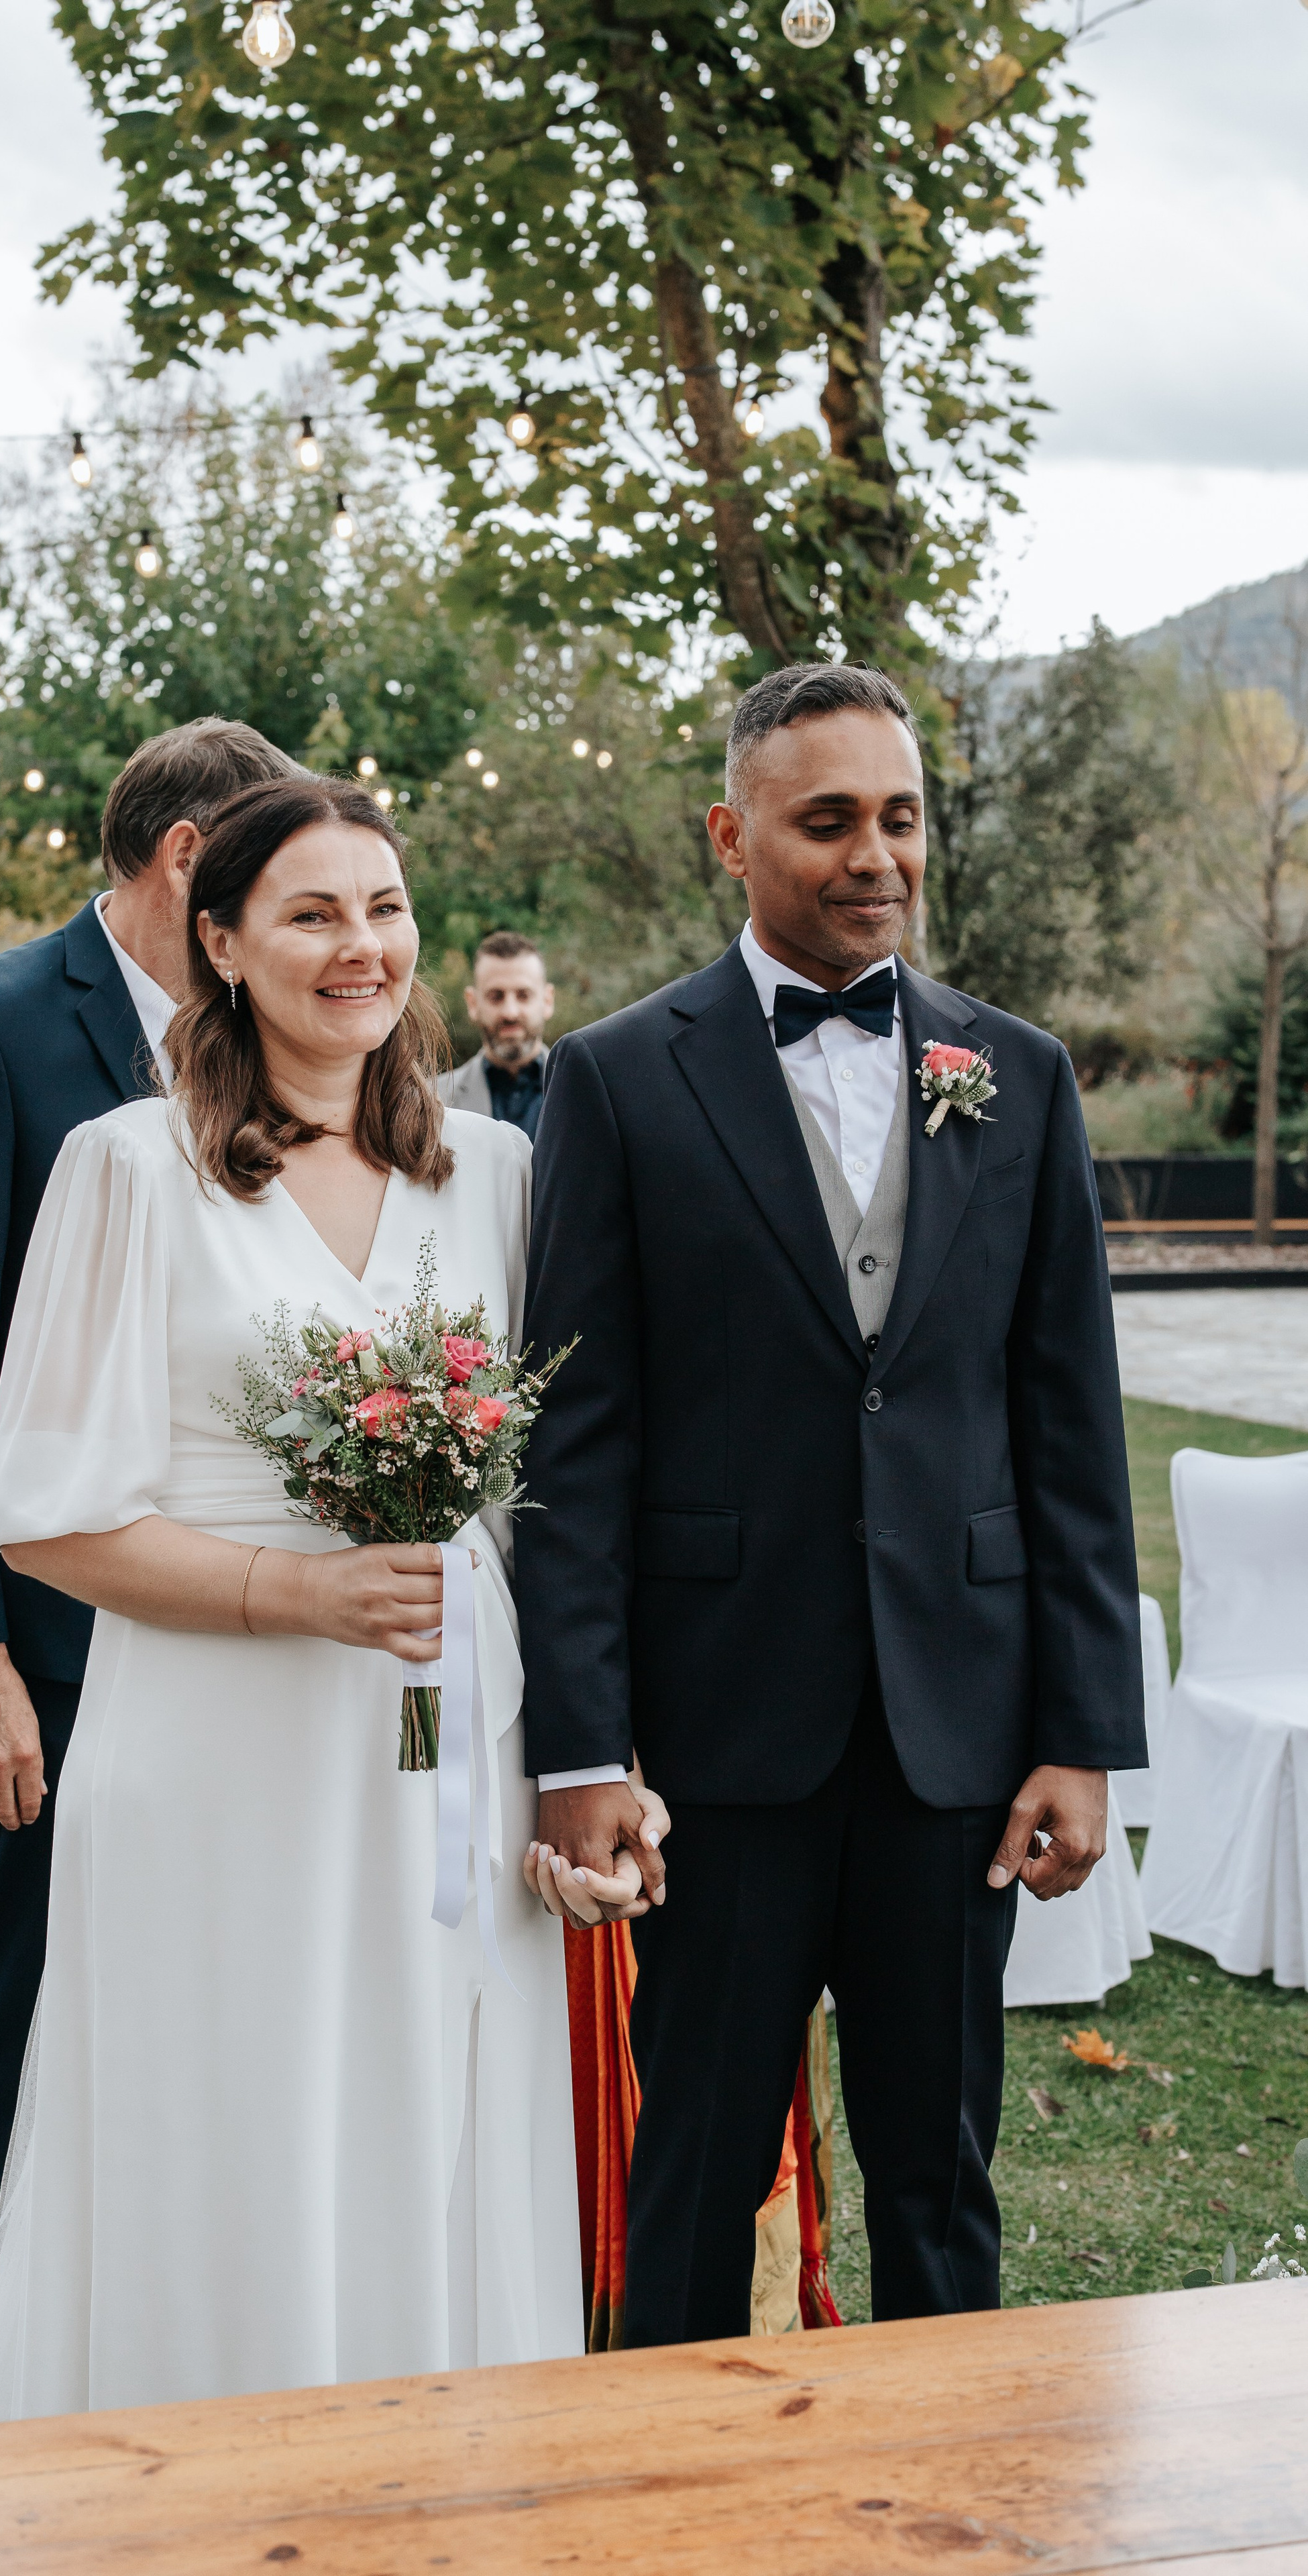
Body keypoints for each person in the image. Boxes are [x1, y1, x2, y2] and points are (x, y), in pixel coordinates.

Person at [516, 661, 1146, 2347]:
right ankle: (667, 2501)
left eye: (899, 816)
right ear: (729, 833)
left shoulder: (1011, 1073)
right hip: (719, 1735)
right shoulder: (614, 1077)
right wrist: (581, 1750)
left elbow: (1066, 1426)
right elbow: (571, 1446)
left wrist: (1079, 1732)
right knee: (694, 2160)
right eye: (825, 821)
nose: (875, 855)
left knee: (938, 2171)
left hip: (955, 1733)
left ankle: (961, 2498)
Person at [0, 775, 598, 2417]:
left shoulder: (498, 1173)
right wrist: (295, 1595)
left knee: (432, 2104)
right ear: (219, 939)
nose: (357, 948)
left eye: (381, 909)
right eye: (309, 913)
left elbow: (553, 1504)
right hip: (216, 1754)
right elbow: (45, 1524)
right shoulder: (125, 1169)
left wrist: (585, 1756)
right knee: (234, 2107)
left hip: (453, 1745)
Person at [0, 716, 297, 2285]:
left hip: (253, 1614)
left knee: (208, 1975)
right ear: (191, 859)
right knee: (34, 1972)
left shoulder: (276, 1036)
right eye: (272, 878)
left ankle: (178, 2278)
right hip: (59, 1634)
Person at [438, 929, 554, 1141]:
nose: (510, 1012)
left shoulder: (585, 1093)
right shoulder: (432, 1100)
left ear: (547, 1000)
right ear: (472, 1003)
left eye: (523, 995)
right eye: (496, 997)